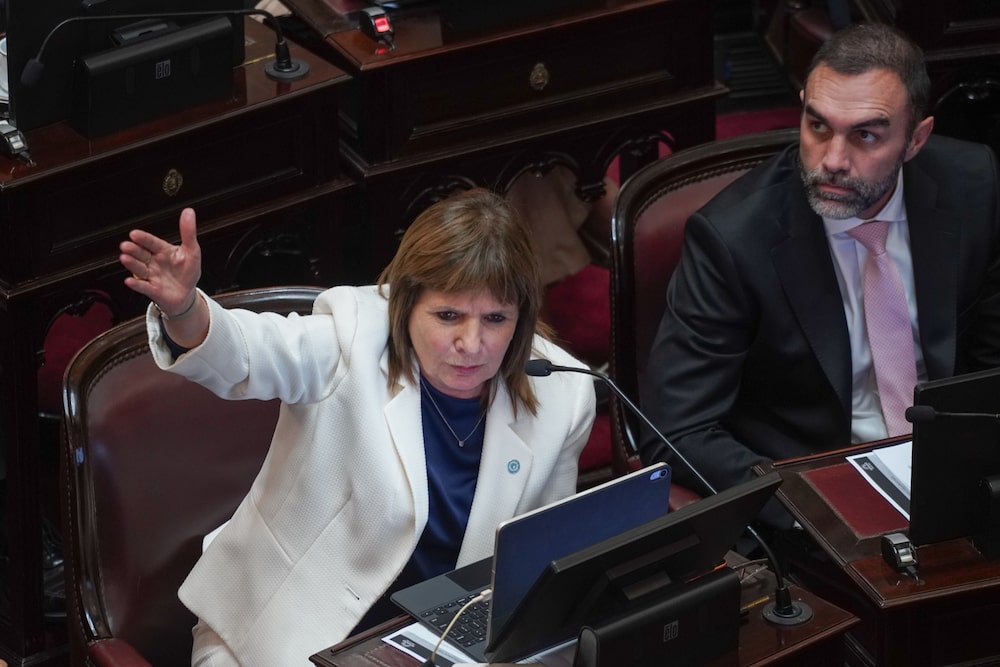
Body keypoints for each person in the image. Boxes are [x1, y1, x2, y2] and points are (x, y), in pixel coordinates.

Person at [118, 188, 596, 666]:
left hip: (433, 649)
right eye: (448, 315)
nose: (471, 343)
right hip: (276, 636)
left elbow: (538, 574)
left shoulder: (562, 392)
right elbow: (247, 353)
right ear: (406, 304)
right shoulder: (350, 336)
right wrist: (185, 311)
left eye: (495, 318)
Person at [640, 23, 1000, 528]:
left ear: (916, 139)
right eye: (818, 126)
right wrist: (814, 508)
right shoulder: (733, 239)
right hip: (812, 503)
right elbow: (676, 428)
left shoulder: (973, 185)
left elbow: (989, 366)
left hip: (957, 479)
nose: (832, 160)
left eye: (866, 135)